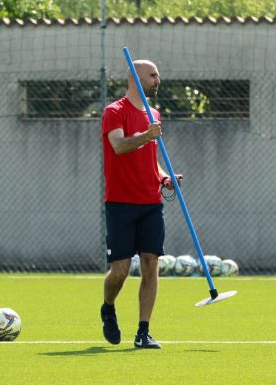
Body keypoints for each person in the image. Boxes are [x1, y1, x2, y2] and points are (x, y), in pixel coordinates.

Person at [100, 60, 182, 349]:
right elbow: (119, 146)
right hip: (121, 203)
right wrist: (146, 134)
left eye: (159, 74)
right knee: (120, 270)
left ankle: (143, 332)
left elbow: (151, 161)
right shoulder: (114, 111)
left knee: (150, 263)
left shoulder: (154, 114)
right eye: (153, 75)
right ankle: (108, 308)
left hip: (150, 202)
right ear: (136, 77)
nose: (158, 79)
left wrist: (164, 178)